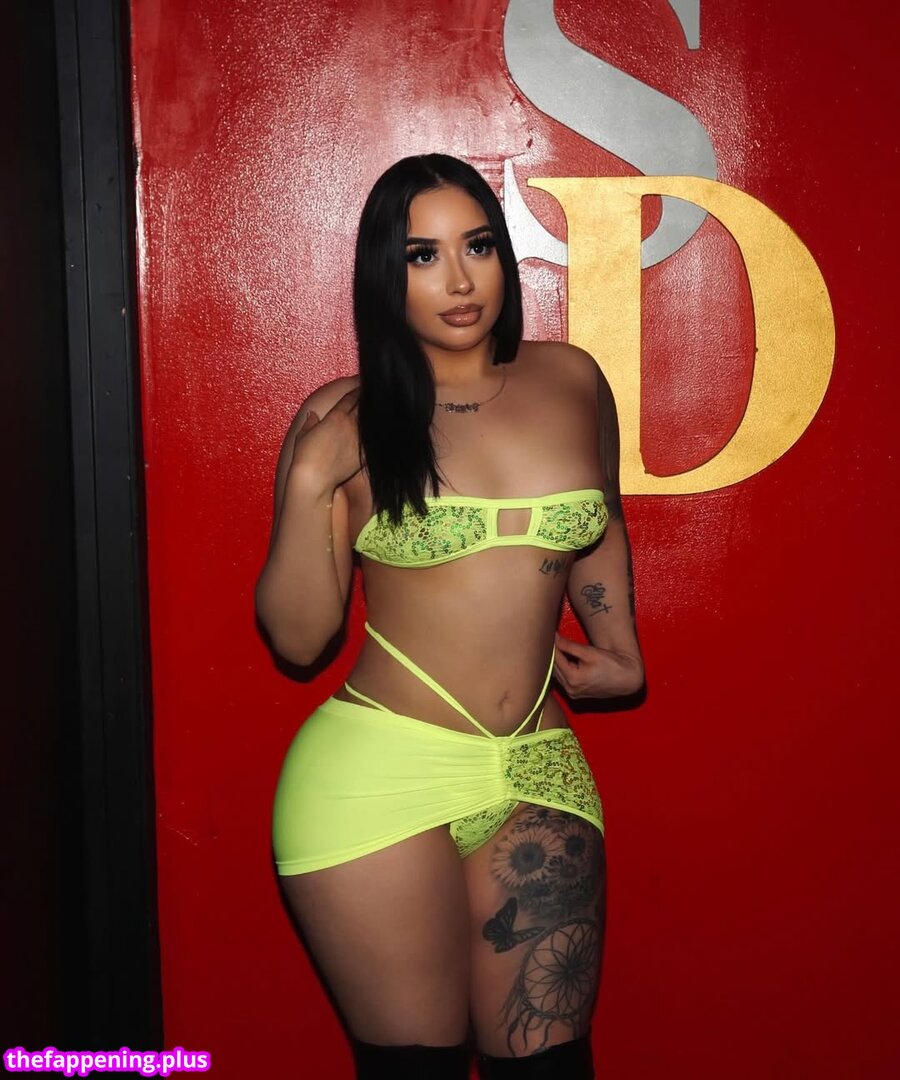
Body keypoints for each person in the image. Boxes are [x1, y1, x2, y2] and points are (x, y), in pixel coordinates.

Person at [256, 153, 644, 1079]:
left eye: (477, 246)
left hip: (538, 767)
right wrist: (311, 481)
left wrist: (620, 645)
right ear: (383, 276)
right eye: (422, 256)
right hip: (379, 774)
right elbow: (299, 640)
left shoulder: (574, 379)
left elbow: (601, 516)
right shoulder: (343, 418)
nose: (460, 281)